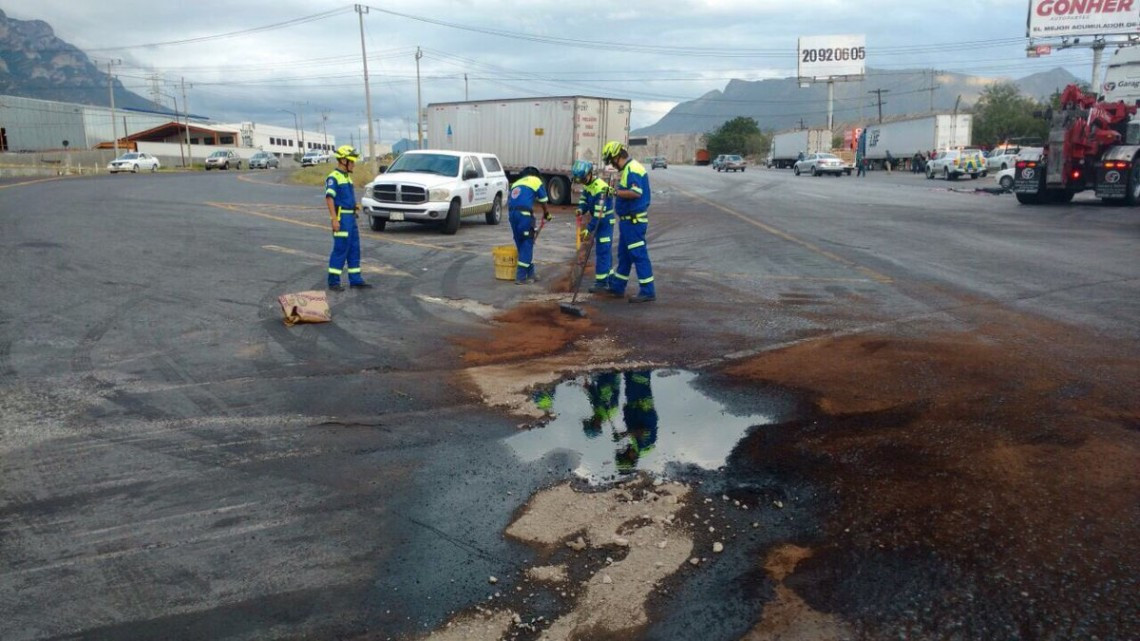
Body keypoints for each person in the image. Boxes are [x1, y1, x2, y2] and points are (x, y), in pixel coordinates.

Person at [600, 141, 655, 303]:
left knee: (639, 255)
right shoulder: (628, 169)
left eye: (611, 160)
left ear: (617, 156)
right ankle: (618, 287)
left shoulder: (632, 169)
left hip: (634, 222)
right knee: (624, 256)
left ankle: (648, 291)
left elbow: (635, 192)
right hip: (627, 222)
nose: (611, 164)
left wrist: (614, 192)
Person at [325, 145, 371, 291]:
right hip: (342, 218)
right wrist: (334, 219)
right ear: (343, 160)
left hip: (351, 218)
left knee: (354, 249)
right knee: (340, 249)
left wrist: (354, 205)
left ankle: (355, 279)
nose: (353, 164)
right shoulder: (334, 177)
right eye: (351, 160)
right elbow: (329, 198)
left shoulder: (347, 177)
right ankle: (333, 282)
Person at [571, 159, 616, 293]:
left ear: (590, 174)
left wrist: (588, 230)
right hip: (599, 221)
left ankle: (602, 283)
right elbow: (584, 200)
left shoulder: (600, 189)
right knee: (604, 252)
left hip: (605, 223)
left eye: (583, 179)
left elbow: (598, 216)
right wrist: (581, 209)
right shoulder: (588, 185)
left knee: (603, 252)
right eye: (580, 180)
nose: (582, 182)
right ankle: (610, 279)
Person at [508, 166, 551, 284]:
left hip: (512, 215)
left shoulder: (516, 183)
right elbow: (543, 200)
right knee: (527, 242)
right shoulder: (535, 181)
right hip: (524, 215)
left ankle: (530, 273)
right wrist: (546, 213)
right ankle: (521, 277)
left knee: (521, 243)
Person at [613, 370, 658, 472]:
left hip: (634, 405)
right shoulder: (643, 447)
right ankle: (642, 358)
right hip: (642, 405)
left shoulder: (636, 447)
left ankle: (630, 361)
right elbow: (642, 431)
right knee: (639, 378)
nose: (625, 450)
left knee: (629, 377)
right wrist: (625, 434)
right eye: (625, 454)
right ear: (632, 458)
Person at [582, 371, 621, 438]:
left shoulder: (596, 411)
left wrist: (589, 388)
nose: (591, 419)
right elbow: (615, 393)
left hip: (601, 380)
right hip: (610, 379)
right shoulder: (611, 413)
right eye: (598, 426)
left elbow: (595, 397)